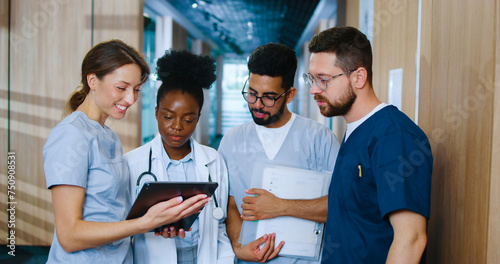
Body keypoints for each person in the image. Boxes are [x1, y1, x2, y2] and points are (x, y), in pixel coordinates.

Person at [43, 40, 210, 264]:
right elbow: (69, 236)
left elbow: (112, 211)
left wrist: (163, 221)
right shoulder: (71, 136)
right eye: (121, 88)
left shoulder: (108, 136)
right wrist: (145, 223)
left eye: (136, 90)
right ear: (92, 81)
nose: (131, 99)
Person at [305, 26, 433, 263]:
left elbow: (411, 238)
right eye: (311, 79)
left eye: (323, 80)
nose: (314, 90)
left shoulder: (395, 136)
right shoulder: (354, 131)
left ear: (359, 78)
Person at [218, 43, 340, 264]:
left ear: (290, 94)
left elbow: (342, 205)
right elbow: (230, 205)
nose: (257, 104)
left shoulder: (319, 139)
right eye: (252, 94)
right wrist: (238, 247)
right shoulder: (232, 141)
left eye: (269, 97)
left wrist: (282, 206)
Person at [124, 49, 235, 264]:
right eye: (168, 116)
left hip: (204, 256)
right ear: (156, 112)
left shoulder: (213, 159)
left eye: (188, 119)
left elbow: (220, 223)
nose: (176, 126)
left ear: (198, 118)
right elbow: (124, 227)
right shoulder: (132, 163)